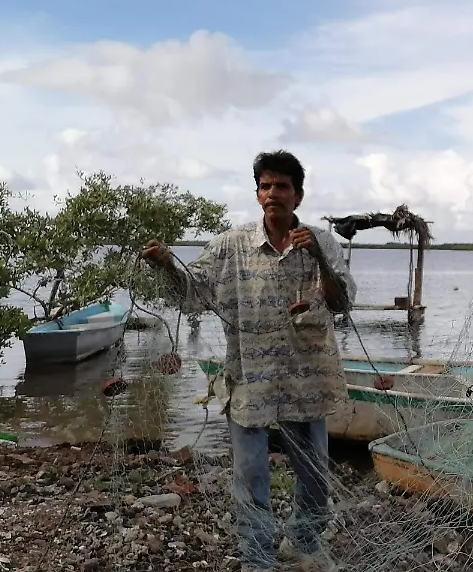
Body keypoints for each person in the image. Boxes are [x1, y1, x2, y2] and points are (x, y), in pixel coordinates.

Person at [143, 150, 356, 572]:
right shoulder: (229, 245)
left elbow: (343, 303)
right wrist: (168, 265)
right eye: (265, 186)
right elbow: (192, 295)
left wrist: (319, 259)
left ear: (298, 195)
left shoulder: (323, 241)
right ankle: (258, 559)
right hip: (249, 379)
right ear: (257, 193)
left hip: (306, 378)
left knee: (314, 475)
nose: (272, 193)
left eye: (282, 186)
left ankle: (303, 540)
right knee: (251, 475)